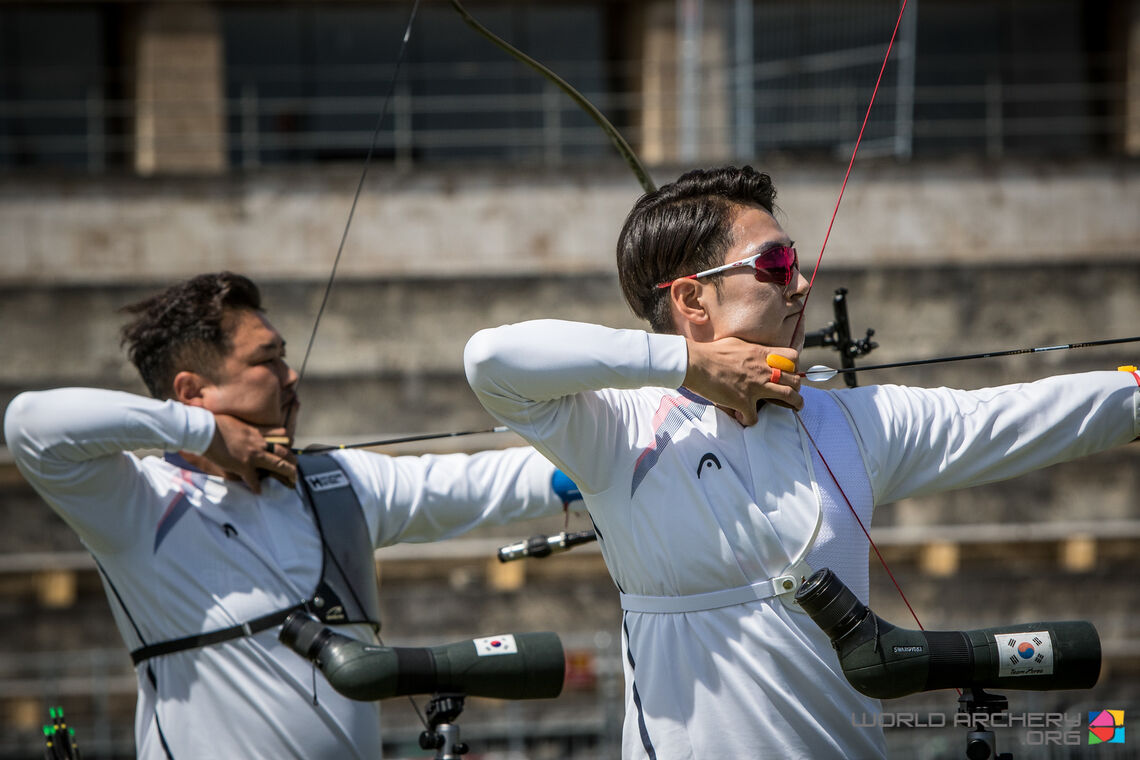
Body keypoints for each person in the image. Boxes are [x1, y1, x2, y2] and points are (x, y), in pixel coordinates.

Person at [463, 165, 1140, 759]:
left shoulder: (853, 423)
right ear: (692, 299)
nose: (802, 282)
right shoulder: (616, 430)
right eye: (777, 265)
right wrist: (690, 363)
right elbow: (490, 359)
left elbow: (1020, 415)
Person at [3, 272, 578, 759]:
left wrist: (603, 461)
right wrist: (201, 432)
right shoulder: (139, 502)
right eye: (267, 360)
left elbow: (484, 482)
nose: (291, 374)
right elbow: (30, 424)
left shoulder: (337, 482)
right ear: (192, 391)